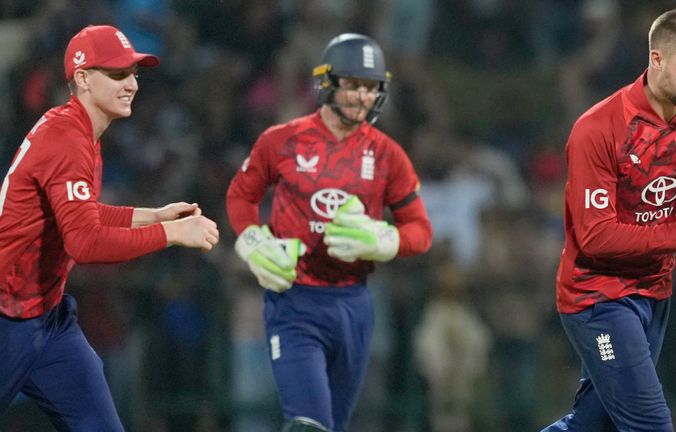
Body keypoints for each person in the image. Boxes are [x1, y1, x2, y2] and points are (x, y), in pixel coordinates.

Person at [0, 25, 220, 431]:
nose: (132, 84)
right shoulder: (67, 139)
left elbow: (82, 215)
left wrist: (154, 215)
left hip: (45, 317)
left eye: (133, 73)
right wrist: (170, 235)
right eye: (118, 74)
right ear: (83, 78)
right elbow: (84, 242)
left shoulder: (77, 129)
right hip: (6, 313)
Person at [540, 8, 676, 432]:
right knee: (650, 424)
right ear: (656, 59)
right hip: (597, 297)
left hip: (655, 293)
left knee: (593, 424)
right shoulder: (598, 129)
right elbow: (595, 237)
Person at [226, 33, 432, 432]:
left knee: (332, 427)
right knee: (309, 423)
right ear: (327, 82)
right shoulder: (282, 140)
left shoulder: (388, 155)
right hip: (294, 299)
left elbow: (420, 230)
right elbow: (240, 195)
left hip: (355, 303)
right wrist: (252, 242)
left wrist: (385, 240)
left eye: (370, 87)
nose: (361, 96)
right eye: (352, 84)